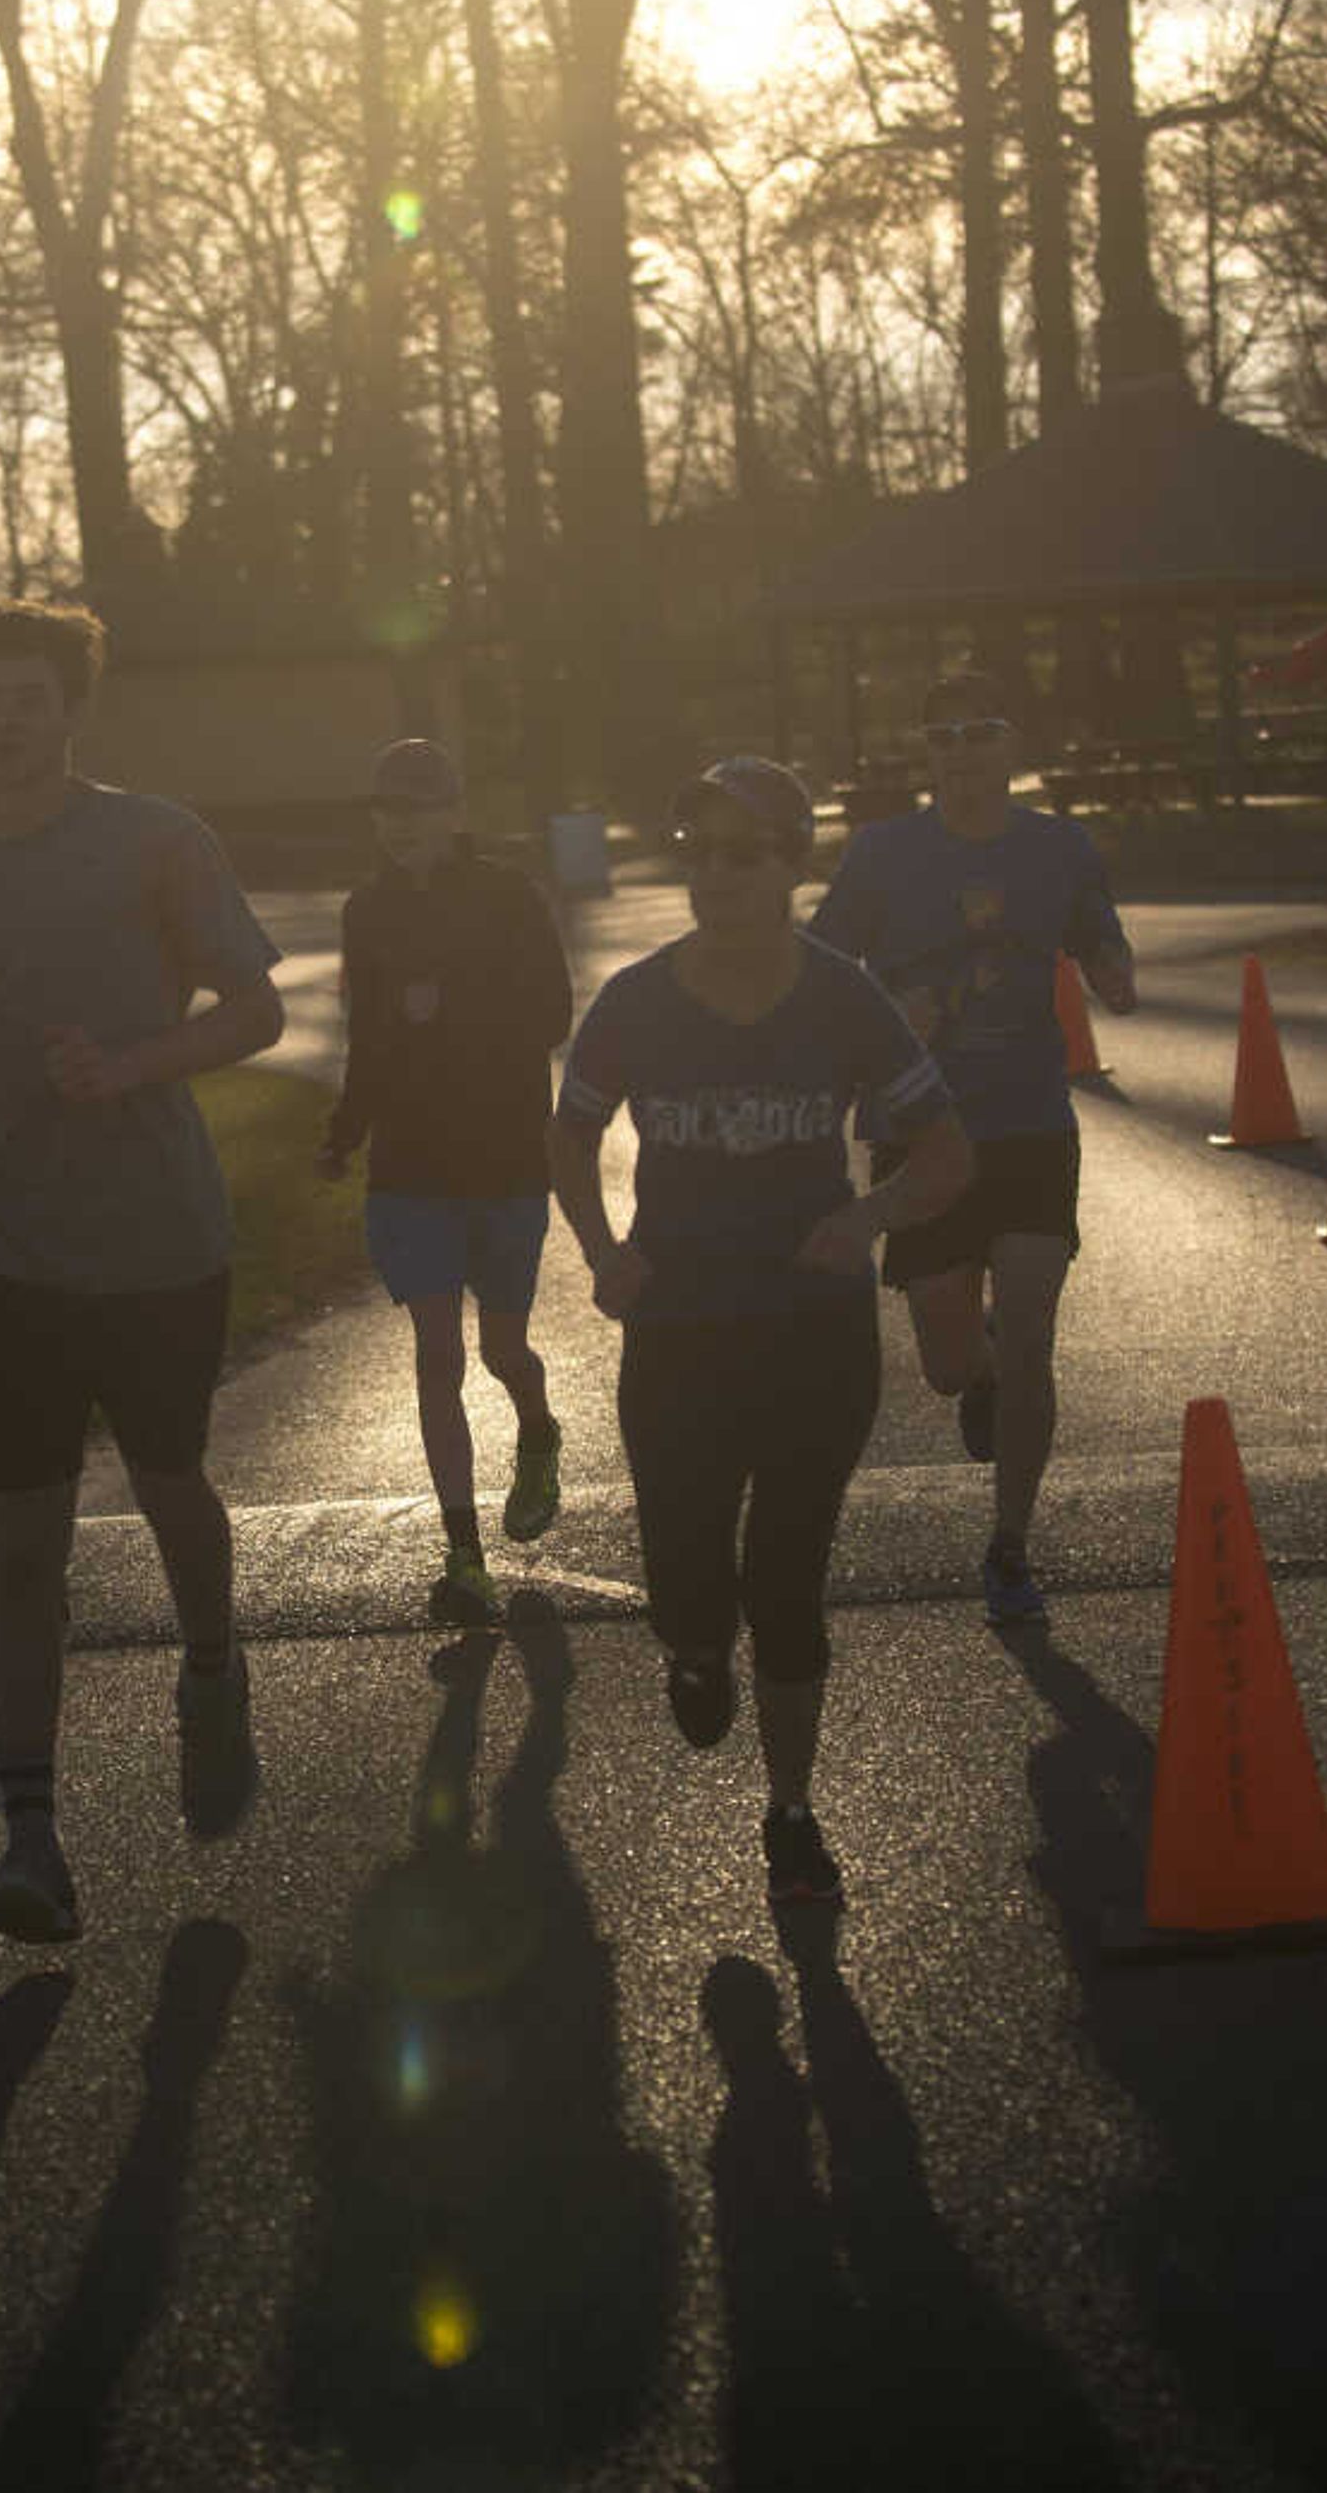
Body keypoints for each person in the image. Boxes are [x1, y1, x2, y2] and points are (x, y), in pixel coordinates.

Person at [0, 600, 287, 1944]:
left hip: (159, 1237)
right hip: (3, 1245)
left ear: (71, 709)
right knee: (28, 1542)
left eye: (27, 694)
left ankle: (213, 1656)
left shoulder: (156, 840)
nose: (2, 714)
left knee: (169, 1484)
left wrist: (128, 1064)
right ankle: (32, 1834)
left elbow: (257, 1006)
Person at [546, 757, 970, 1911]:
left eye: (748, 853)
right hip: (677, 1331)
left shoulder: (844, 997)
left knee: (787, 1577)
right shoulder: (635, 999)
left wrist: (868, 1215)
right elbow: (568, 1138)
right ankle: (691, 1646)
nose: (720, 875)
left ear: (794, 865)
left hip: (809, 1335)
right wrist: (601, 1252)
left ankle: (791, 1811)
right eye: (701, 852)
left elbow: (946, 1149)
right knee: (687, 1575)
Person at [806, 667, 1136, 1627]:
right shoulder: (880, 853)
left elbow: (1110, 957)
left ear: (1012, 746)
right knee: (951, 1364)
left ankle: (1011, 1540)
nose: (961, 748)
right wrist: (880, 1019)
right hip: (919, 1128)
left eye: (980, 729)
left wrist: (1114, 971)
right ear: (927, 753)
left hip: (1030, 1119)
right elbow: (821, 973)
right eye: (943, 733)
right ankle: (977, 1373)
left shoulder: (1060, 848)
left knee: (1032, 1326)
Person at [315, 737, 572, 1629]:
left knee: (504, 1351)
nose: (401, 824)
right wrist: (346, 1129)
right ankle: (463, 1556)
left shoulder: (508, 894)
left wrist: (453, 1010)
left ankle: (537, 1428)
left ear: (456, 811)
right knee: (436, 1353)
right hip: (411, 1164)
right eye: (387, 808)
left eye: (419, 806)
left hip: (503, 1155)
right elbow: (370, 1035)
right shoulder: (368, 909)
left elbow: (553, 1012)